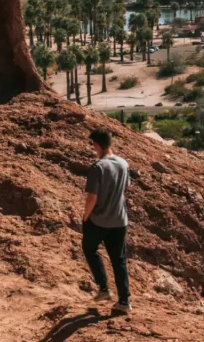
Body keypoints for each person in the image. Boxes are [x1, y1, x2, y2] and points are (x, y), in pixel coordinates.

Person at [81, 130, 131, 314]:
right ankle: (124, 301)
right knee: (119, 259)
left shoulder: (97, 167)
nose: (92, 147)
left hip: (100, 219)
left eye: (92, 144)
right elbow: (124, 189)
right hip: (120, 220)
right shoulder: (124, 164)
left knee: (89, 248)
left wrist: (86, 216)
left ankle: (104, 288)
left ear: (97, 144)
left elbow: (92, 198)